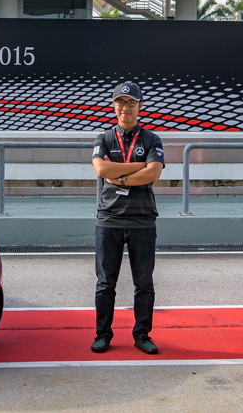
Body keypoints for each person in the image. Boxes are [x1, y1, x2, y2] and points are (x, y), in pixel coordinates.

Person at [90, 81, 165, 355]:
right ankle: (103, 334)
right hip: (109, 220)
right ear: (114, 106)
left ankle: (142, 334)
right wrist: (137, 168)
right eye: (121, 102)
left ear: (140, 106)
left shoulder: (151, 139)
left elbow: (153, 173)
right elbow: (100, 168)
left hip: (142, 221)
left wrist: (119, 174)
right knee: (105, 283)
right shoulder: (104, 138)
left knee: (143, 283)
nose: (126, 107)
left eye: (131, 102)